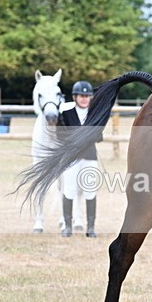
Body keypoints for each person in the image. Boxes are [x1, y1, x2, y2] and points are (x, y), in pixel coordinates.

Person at [59, 80, 99, 238]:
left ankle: (91, 227)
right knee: (69, 190)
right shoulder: (66, 114)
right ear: (75, 97)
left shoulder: (95, 115)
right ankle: (68, 226)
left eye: (87, 96)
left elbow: (98, 136)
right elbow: (60, 136)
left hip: (90, 157)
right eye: (81, 96)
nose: (84, 99)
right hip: (71, 159)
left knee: (90, 191)